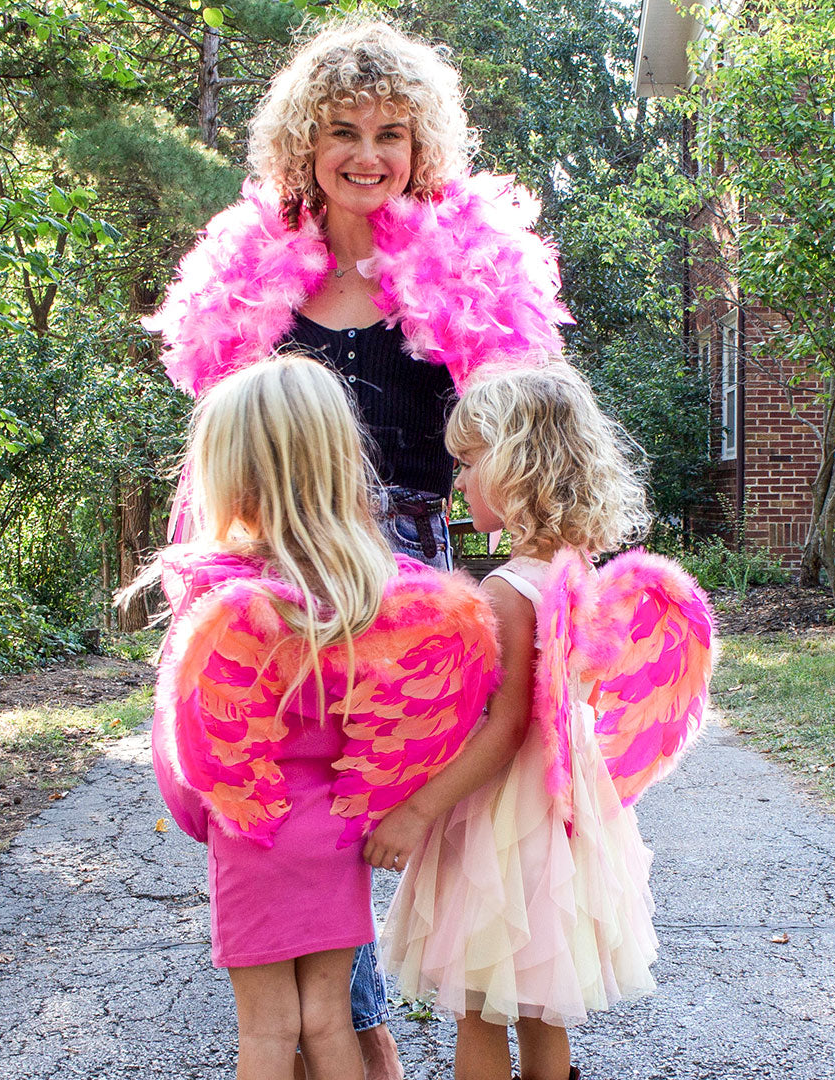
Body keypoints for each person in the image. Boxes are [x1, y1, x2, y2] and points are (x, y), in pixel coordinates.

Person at [143, 19, 571, 1072]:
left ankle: (475, 1018)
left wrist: (530, 562)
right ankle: (352, 1037)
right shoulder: (255, 279)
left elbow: (520, 434)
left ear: (424, 147)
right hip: (282, 573)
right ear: (305, 143)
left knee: (423, 810)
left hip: (414, 573)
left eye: (392, 132)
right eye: (343, 130)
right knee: (301, 809)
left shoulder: (466, 272)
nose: (368, 154)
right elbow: (223, 453)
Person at [146, 354, 499, 1080]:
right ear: (342, 460)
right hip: (340, 831)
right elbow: (413, 724)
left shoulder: (227, 611)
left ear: (229, 474)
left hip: (254, 832)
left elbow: (190, 760)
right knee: (329, 1020)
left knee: (270, 1034)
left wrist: (208, 819)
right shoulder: (381, 598)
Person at [363, 365, 715, 1080]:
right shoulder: (574, 565)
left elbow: (506, 725)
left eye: (467, 463)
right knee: (537, 1004)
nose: (456, 481)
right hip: (558, 814)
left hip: (500, 817)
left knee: (480, 1006)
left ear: (518, 464)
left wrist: (417, 808)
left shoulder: (505, 588)